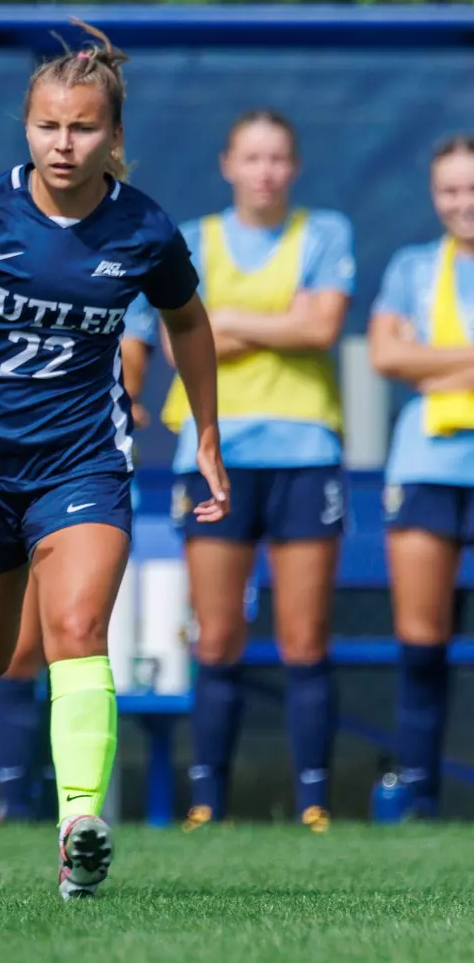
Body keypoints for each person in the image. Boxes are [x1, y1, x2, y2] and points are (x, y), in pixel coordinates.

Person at [0, 23, 227, 898]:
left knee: (76, 629)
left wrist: (208, 438)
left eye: (82, 128)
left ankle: (80, 824)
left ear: (113, 136)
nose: (63, 144)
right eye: (47, 126)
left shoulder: (145, 229)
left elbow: (187, 322)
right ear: (26, 127)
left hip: (84, 460)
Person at [159, 110, 354, 834]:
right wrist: (275, 322)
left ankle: (314, 801)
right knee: (216, 639)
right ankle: (207, 801)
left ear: (294, 167)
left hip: (306, 456)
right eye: (252, 157)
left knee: (305, 639)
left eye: (278, 158)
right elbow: (182, 337)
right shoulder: (192, 239)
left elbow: (322, 328)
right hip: (213, 456)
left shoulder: (325, 231)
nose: (265, 171)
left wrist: (229, 319)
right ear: (227, 165)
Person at [0, 303, 161, 824]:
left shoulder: (129, 257)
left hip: (86, 467)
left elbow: (132, 363)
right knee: (9, 651)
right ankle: (13, 798)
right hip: (9, 461)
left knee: (76, 631)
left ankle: (76, 811)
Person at [369, 134, 474, 820]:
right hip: (427, 466)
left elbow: (411, 357)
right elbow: (385, 353)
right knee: (422, 639)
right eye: (450, 191)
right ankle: (418, 798)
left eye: (472, 188)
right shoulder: (412, 266)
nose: (463, 203)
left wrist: (431, 360)